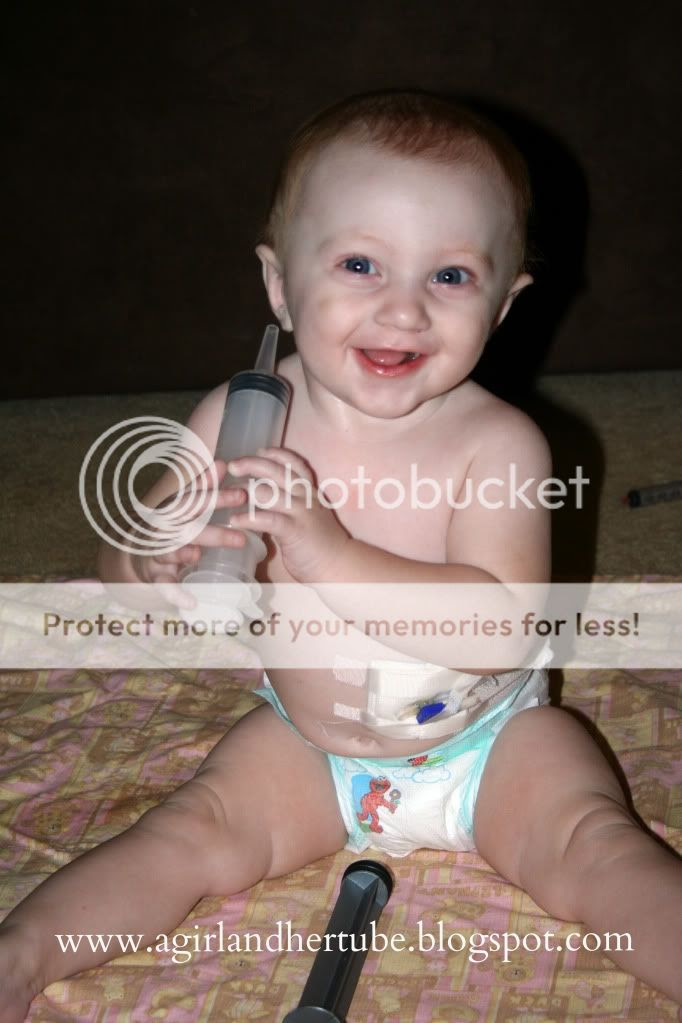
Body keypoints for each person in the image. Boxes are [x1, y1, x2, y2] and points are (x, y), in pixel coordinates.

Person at [1, 89, 680, 1021]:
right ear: (280, 285)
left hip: (486, 743)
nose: (402, 309)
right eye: (360, 264)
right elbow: (121, 579)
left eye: (450, 275)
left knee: (592, 847)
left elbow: (500, 628)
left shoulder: (498, 444)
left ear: (506, 303)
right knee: (192, 828)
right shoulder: (240, 417)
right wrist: (150, 558)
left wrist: (328, 552)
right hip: (308, 744)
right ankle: (22, 954)